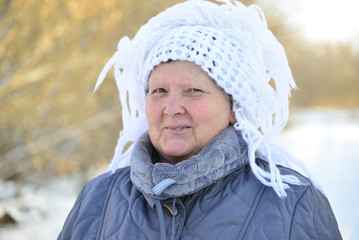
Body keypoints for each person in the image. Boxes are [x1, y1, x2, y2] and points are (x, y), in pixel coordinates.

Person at [58, 0, 342, 239]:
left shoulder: (293, 203)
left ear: (234, 106)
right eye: (159, 91)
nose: (171, 108)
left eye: (192, 91)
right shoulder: (97, 198)